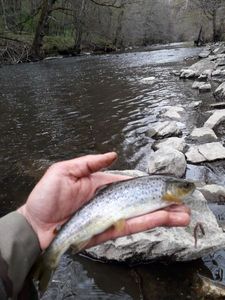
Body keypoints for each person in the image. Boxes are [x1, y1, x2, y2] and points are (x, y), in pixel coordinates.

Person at [0, 152, 190, 299]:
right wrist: (31, 222)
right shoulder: (164, 191)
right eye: (186, 188)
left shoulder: (165, 192)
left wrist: (29, 224)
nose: (189, 190)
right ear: (171, 190)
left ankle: (47, 258)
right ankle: (50, 257)